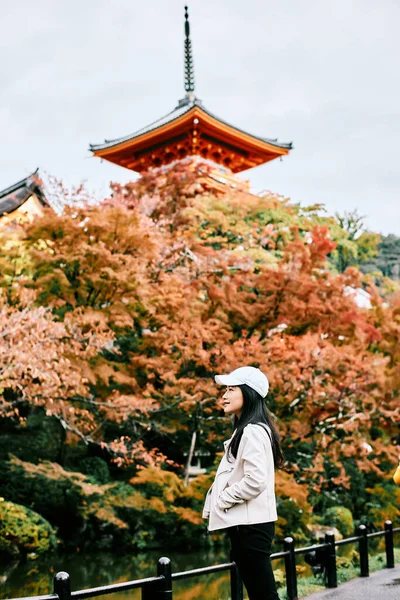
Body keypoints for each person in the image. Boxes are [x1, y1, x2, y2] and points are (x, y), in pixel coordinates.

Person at [203, 366, 284, 600]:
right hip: (249, 525)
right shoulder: (248, 429)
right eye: (224, 390)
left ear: (248, 393)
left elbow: (256, 479)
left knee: (263, 595)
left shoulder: (252, 431)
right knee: (261, 594)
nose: (224, 396)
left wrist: (223, 499)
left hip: (251, 526)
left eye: (231, 389)